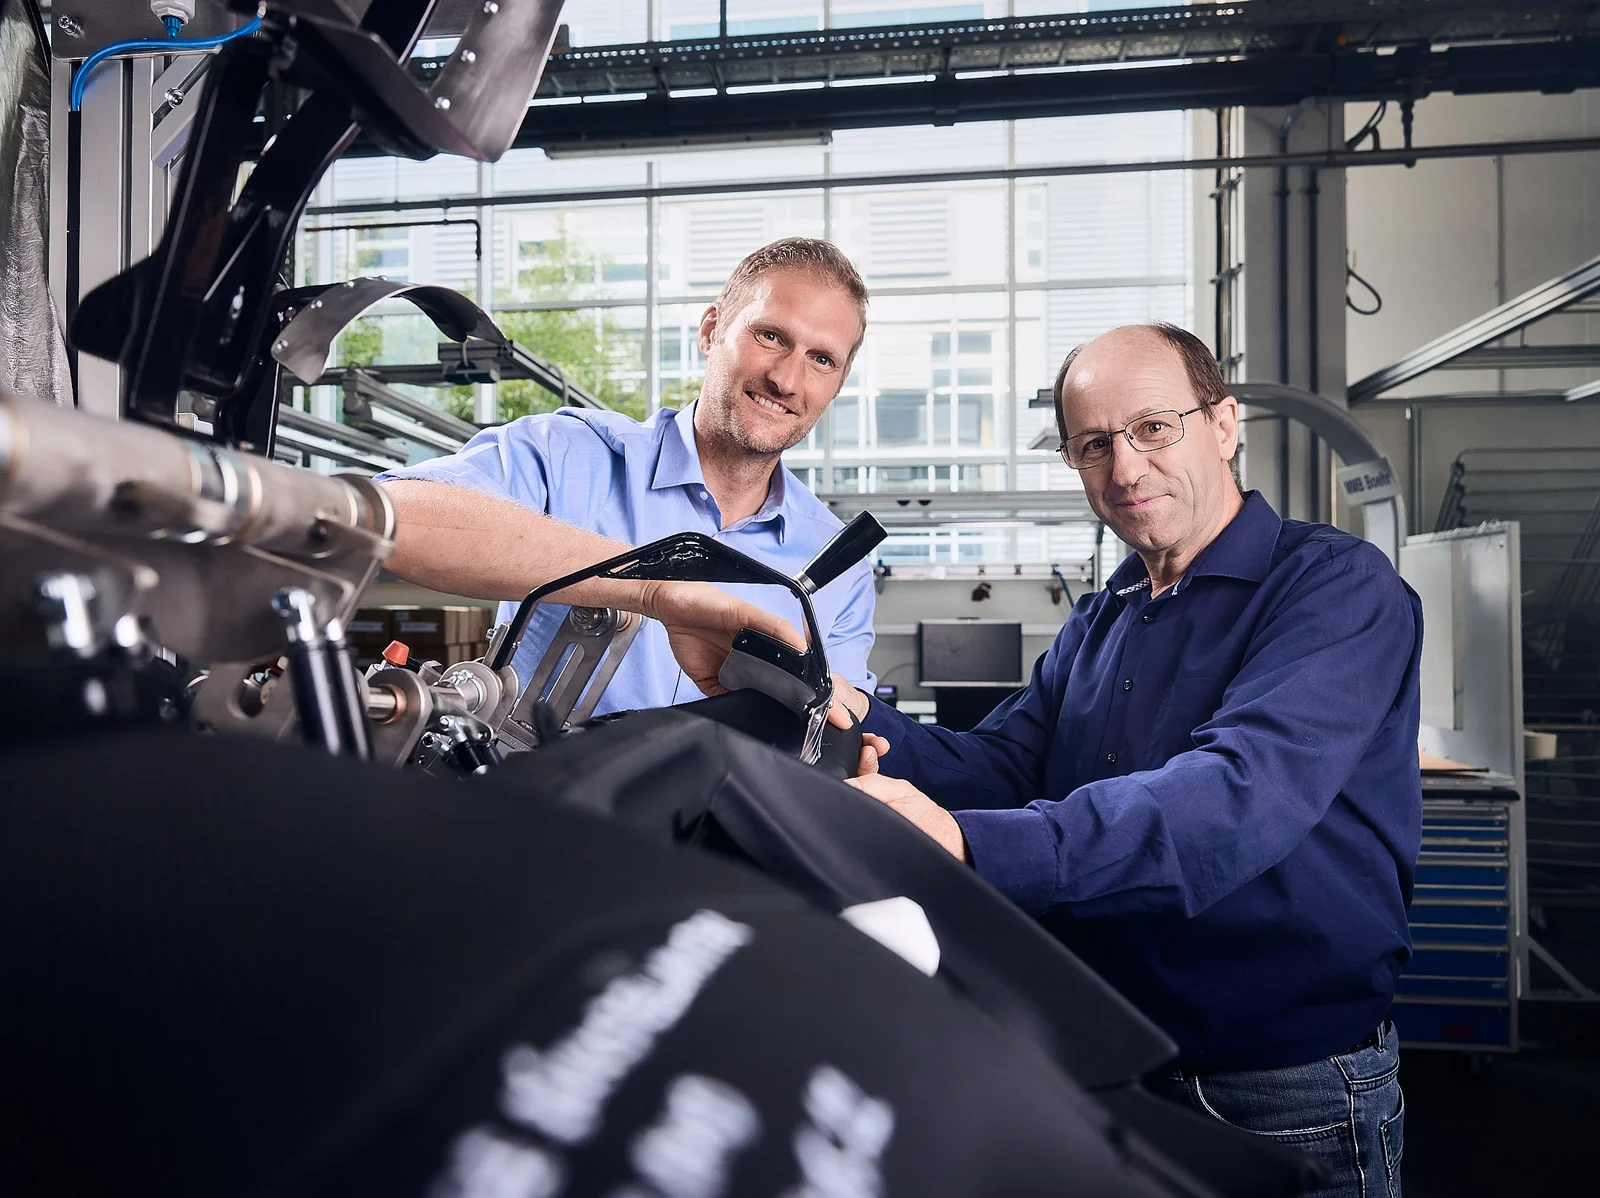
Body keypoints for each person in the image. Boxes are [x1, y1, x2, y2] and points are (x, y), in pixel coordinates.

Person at [829, 323, 1421, 1198]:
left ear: (1223, 425)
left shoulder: (1335, 587)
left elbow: (1234, 797)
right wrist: (841, 705)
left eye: (1152, 428)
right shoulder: (1105, 615)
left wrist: (969, 842)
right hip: (1105, 1057)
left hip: (1278, 1084)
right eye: (1093, 445)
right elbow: (1004, 764)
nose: (1125, 468)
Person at [378, 237, 876, 711]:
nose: (786, 379)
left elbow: (841, 721)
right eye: (770, 336)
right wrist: (652, 591)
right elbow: (388, 519)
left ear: (838, 383)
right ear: (711, 330)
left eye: (821, 359)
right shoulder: (566, 455)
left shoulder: (840, 565)